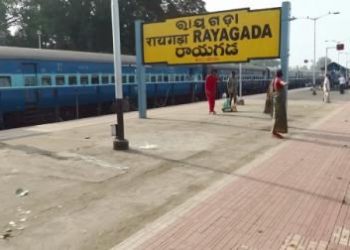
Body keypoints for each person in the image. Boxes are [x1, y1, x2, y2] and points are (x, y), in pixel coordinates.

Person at [272, 69, 288, 138]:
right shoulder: (278, 80)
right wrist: (286, 83)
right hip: (279, 101)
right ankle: (274, 131)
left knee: (278, 115)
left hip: (278, 99)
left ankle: (276, 130)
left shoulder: (275, 79)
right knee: (278, 115)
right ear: (281, 75)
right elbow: (282, 83)